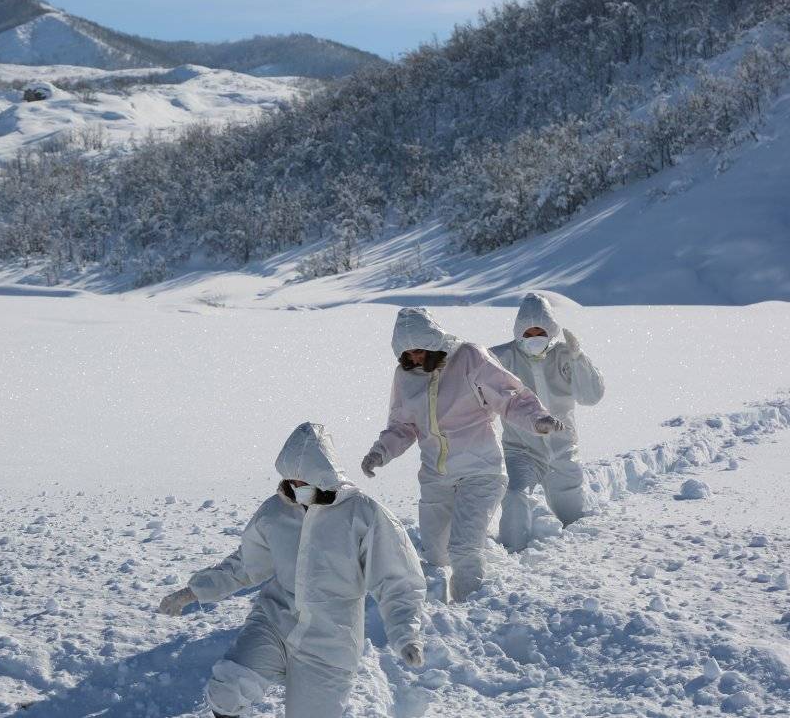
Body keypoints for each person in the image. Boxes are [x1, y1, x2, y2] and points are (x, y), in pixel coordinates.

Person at [158, 422, 426, 718]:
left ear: (324, 475)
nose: (296, 488)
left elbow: (397, 580)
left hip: (330, 641)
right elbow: (245, 564)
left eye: (304, 480)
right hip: (275, 621)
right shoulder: (276, 511)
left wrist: (406, 634)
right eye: (292, 480)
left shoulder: (363, 514)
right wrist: (194, 591)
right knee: (227, 691)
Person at [360, 307, 564, 601]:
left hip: (481, 470)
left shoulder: (469, 357)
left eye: (419, 350)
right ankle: (439, 605)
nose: (415, 358)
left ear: (434, 342)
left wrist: (537, 418)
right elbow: (403, 425)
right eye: (407, 354)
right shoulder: (405, 376)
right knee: (436, 551)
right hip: (435, 476)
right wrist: (379, 453)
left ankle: (470, 608)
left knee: (463, 548)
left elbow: (510, 396)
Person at [490, 292, 605, 553]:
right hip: (522, 450)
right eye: (527, 334)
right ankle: (512, 552)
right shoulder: (503, 358)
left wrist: (579, 360)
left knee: (574, 517)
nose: (533, 339)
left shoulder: (565, 355)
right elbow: (476, 383)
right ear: (519, 333)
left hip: (563, 450)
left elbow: (591, 396)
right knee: (516, 495)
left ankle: (578, 558)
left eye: (539, 332)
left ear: (551, 330)